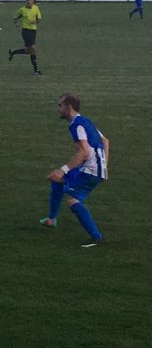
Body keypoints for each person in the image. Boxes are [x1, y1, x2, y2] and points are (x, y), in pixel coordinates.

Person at [41, 94, 109, 248]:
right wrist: (104, 167)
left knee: (73, 200)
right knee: (56, 179)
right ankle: (51, 219)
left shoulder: (76, 126)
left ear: (69, 107)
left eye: (60, 106)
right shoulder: (85, 121)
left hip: (90, 170)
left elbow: (84, 152)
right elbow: (105, 141)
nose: (58, 109)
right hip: (93, 168)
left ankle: (96, 237)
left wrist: (63, 169)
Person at [8, 0, 42, 75]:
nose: (29, 2)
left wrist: (35, 21)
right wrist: (16, 23)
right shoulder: (22, 10)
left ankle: (13, 52)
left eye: (30, 0)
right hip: (26, 31)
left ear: (33, 0)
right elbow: (15, 17)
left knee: (28, 51)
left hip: (33, 31)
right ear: (25, 1)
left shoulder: (36, 8)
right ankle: (36, 70)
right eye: (27, 0)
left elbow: (39, 19)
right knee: (33, 49)